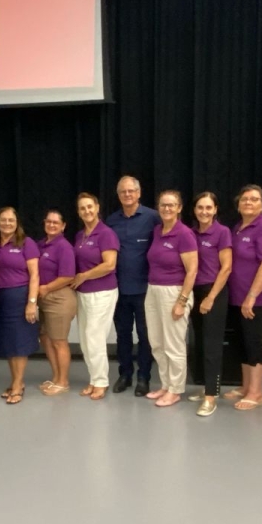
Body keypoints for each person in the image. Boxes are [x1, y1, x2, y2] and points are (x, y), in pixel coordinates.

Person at [224, 185, 262, 410]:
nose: (248, 202)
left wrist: (252, 296)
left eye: (254, 199)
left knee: (253, 342)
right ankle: (246, 386)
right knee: (241, 342)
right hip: (236, 296)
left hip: (257, 299)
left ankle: (256, 392)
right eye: (244, 199)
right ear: (238, 204)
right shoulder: (237, 228)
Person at [106, 175, 161, 396]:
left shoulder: (153, 218)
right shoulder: (111, 221)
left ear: (138, 193)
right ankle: (125, 375)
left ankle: (144, 377)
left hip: (146, 289)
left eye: (131, 191)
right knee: (122, 335)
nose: (127, 194)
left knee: (145, 336)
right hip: (119, 289)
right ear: (118, 195)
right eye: (123, 191)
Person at [143, 191, 198, 408]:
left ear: (179, 208)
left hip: (174, 292)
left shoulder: (184, 234)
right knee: (157, 343)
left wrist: (181, 301)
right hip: (153, 291)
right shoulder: (157, 231)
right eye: (163, 205)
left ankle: (175, 390)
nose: (167, 208)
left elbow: (192, 270)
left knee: (173, 345)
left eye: (171, 205)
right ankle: (166, 385)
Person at [71, 192, 120, 400]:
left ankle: (101, 382)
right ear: (78, 212)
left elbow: (109, 265)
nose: (87, 211)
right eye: (82, 208)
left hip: (102, 292)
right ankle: (93, 378)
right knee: (84, 339)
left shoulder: (106, 234)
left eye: (90, 207)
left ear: (97, 208)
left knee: (94, 338)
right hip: (83, 293)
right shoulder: (79, 235)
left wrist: (84, 276)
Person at [188, 192, 232, 416]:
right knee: (200, 343)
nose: (204, 212)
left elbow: (226, 268)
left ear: (215, 210)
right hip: (194, 291)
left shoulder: (222, 232)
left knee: (212, 345)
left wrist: (211, 297)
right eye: (200, 207)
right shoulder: (191, 233)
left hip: (213, 291)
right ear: (194, 210)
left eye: (208, 208)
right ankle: (207, 387)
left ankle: (210, 397)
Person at [0, 207, 40, 405]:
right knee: (8, 343)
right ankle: (15, 381)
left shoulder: (26, 243)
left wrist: (31, 302)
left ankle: (18, 385)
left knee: (19, 343)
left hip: (19, 297)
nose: (7, 223)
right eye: (3, 220)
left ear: (17, 223)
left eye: (11, 220)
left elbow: (35, 275)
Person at [36, 209, 78, 396]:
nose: (51, 225)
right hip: (43, 298)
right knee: (46, 338)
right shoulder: (41, 245)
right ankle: (56, 377)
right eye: (49, 221)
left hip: (59, 298)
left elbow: (68, 276)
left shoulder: (64, 247)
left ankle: (63, 382)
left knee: (59, 341)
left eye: (56, 222)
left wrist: (46, 288)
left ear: (63, 226)